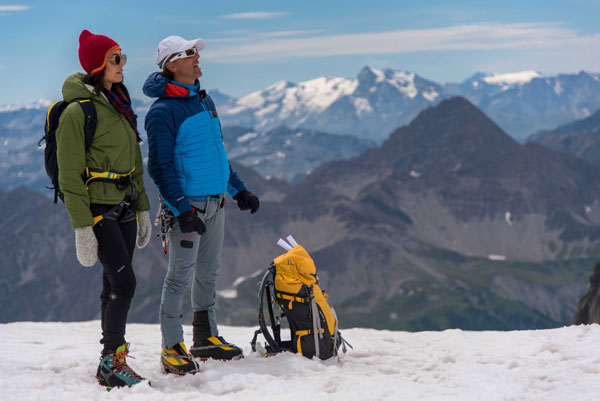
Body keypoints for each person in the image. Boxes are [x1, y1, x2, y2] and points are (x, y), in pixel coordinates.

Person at [143, 35, 260, 375]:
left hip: (216, 203)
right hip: (189, 207)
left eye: (197, 53)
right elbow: (160, 167)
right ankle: (171, 347)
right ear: (172, 64)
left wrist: (238, 190)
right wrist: (181, 209)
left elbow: (216, 157)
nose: (198, 59)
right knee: (179, 277)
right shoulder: (162, 112)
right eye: (189, 54)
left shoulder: (204, 102)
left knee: (208, 273)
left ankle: (205, 338)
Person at [57, 29, 152, 389]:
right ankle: (112, 360)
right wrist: (81, 225)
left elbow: (134, 162)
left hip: (125, 204)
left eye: (122, 56)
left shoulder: (119, 104)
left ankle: (110, 359)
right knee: (125, 281)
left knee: (113, 281)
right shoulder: (77, 113)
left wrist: (142, 207)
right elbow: (69, 175)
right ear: (98, 65)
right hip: (98, 208)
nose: (122, 64)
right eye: (115, 58)